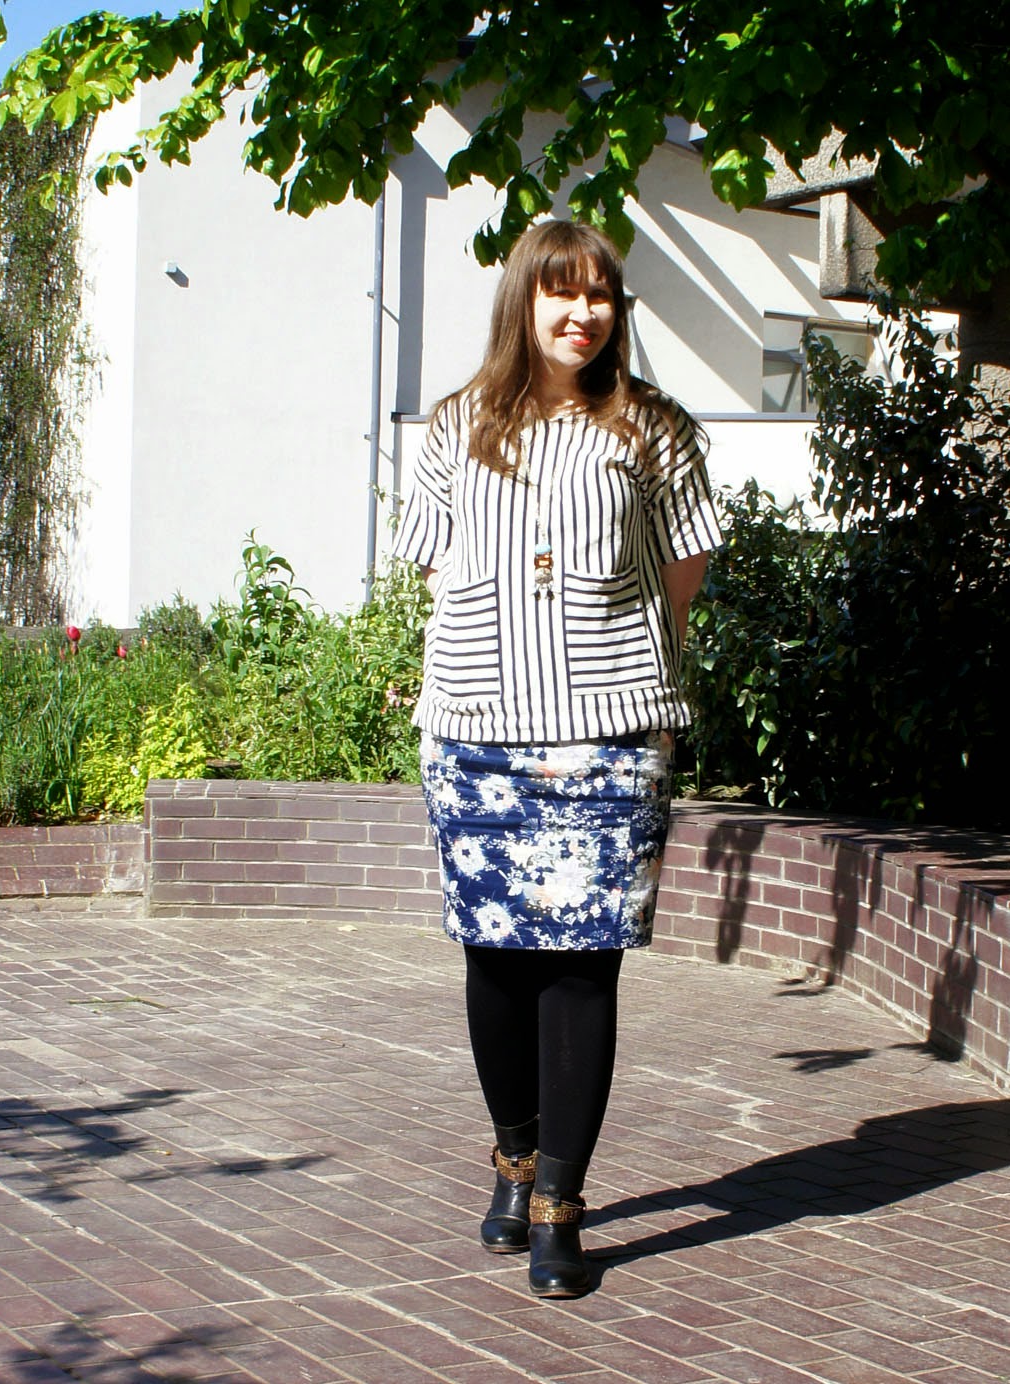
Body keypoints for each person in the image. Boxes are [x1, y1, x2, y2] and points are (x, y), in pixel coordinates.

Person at [392, 219, 721, 1298]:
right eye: (562, 293)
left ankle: (559, 1206)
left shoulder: (654, 429)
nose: (584, 314)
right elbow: (436, 567)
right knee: (495, 958)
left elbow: (683, 565)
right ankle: (514, 1156)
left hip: (610, 730)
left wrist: (615, 654)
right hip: (477, 729)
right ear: (523, 301)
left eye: (602, 296)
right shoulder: (455, 425)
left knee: (584, 963)